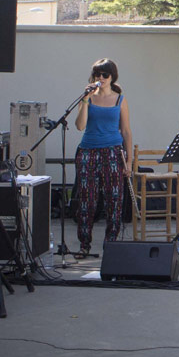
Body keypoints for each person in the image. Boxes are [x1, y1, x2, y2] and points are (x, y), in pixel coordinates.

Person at [73, 58, 133, 257]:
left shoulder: (119, 99)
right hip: (88, 150)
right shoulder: (89, 98)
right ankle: (84, 244)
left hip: (113, 152)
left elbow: (126, 130)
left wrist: (129, 160)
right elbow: (80, 126)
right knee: (86, 200)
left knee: (114, 199)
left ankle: (112, 244)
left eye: (105, 75)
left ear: (112, 76)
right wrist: (84, 100)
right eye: (97, 74)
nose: (101, 78)